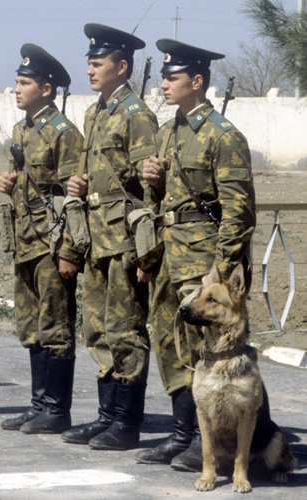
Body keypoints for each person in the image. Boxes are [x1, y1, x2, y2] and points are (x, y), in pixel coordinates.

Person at [134, 39, 256, 471]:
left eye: (173, 77)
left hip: (203, 261)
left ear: (197, 81)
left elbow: (238, 209)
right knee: (170, 343)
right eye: (164, 76)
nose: (164, 84)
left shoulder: (223, 135)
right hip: (170, 254)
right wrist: (152, 179)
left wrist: (220, 274)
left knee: (201, 349)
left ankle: (205, 445)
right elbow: (165, 199)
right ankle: (182, 435)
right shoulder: (170, 131)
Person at [61, 24, 158, 451]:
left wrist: (147, 255)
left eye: (97, 64)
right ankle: (106, 416)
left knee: (126, 330)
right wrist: (80, 185)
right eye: (88, 63)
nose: (89, 71)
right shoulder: (94, 113)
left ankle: (127, 422)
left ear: (122, 67)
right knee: (98, 330)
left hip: (123, 239)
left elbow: (151, 188)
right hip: (96, 238)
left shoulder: (137, 115)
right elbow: (90, 169)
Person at [0, 44, 84, 434]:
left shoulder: (64, 133)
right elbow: (22, 176)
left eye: (24, 83)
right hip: (25, 242)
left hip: (51, 244)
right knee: (31, 325)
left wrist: (69, 252)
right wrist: (8, 181)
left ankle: (56, 409)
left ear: (46, 89)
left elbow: (71, 198)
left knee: (56, 326)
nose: (17, 89)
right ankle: (38, 405)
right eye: (16, 82)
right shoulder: (22, 129)